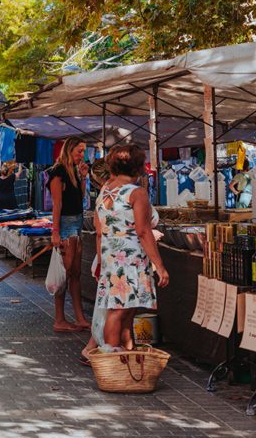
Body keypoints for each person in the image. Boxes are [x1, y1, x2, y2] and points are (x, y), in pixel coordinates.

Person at [95, 144, 169, 352]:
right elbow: (144, 231)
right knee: (119, 311)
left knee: (125, 311)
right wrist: (160, 266)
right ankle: (110, 356)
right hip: (130, 259)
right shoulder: (136, 193)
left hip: (112, 257)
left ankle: (126, 353)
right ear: (139, 168)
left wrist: (101, 261)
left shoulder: (105, 188)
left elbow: (98, 228)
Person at [48, 136, 90, 333]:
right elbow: (57, 204)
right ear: (69, 149)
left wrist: (83, 178)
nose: (82, 155)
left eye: (83, 152)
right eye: (79, 151)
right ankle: (59, 319)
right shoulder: (58, 172)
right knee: (64, 274)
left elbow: (80, 198)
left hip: (77, 223)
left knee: (75, 274)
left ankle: (79, 317)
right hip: (65, 225)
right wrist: (55, 232)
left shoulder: (74, 170)